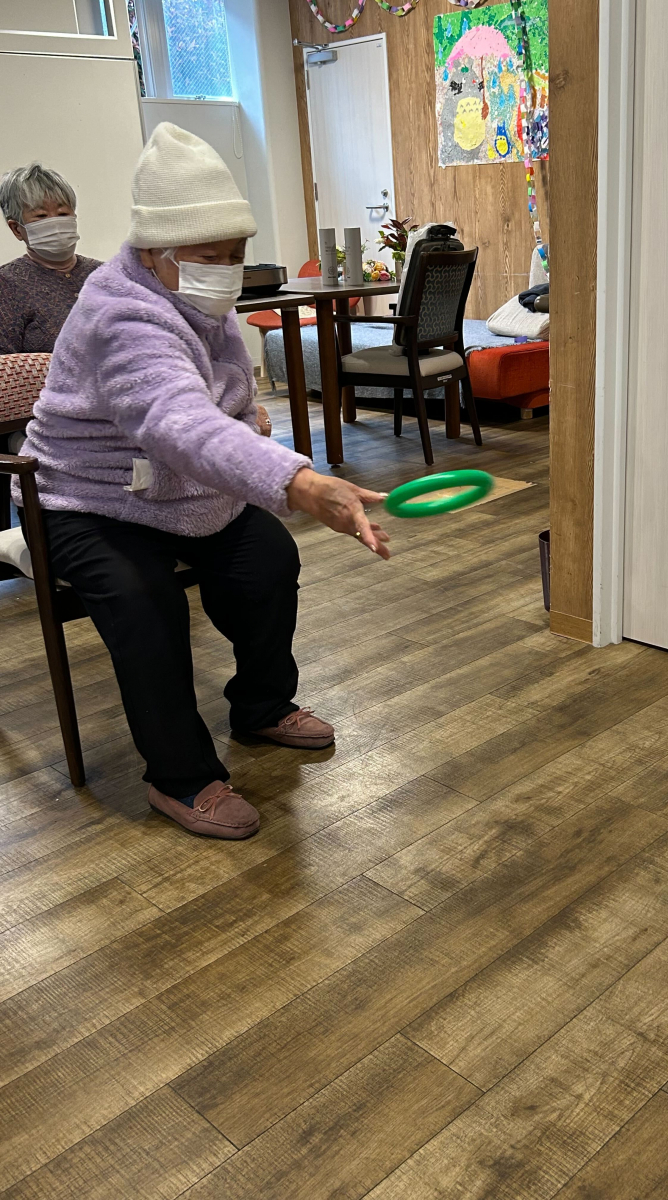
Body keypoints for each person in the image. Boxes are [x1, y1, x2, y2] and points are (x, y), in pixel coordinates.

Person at [13, 123, 390, 839]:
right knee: (142, 598)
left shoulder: (199, 302)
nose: (227, 270)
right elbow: (176, 420)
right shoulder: (119, 311)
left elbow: (228, 400)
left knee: (268, 560)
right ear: (153, 252)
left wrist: (252, 434)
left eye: (236, 255)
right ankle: (179, 776)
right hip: (87, 499)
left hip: (181, 494)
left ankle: (262, 706)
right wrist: (301, 482)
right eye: (209, 257)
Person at [0, 163, 102, 354]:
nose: (55, 223)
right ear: (17, 229)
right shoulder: (7, 284)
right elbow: (5, 365)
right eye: (41, 216)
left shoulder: (105, 274)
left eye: (63, 214)